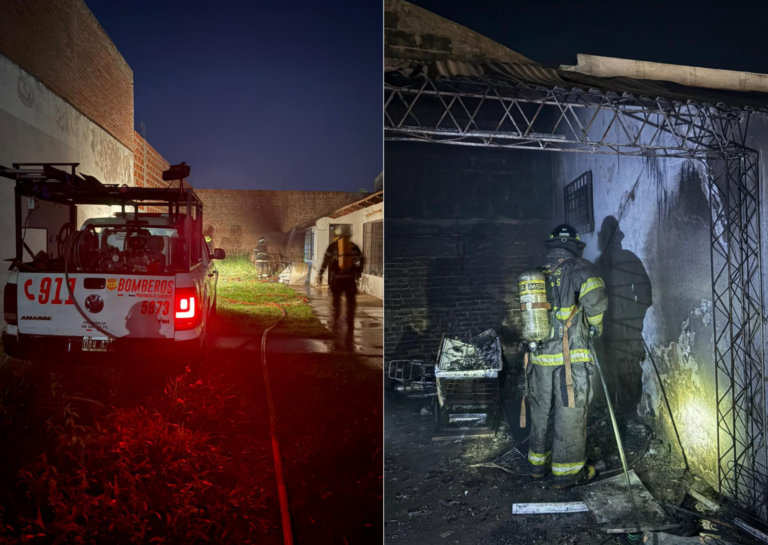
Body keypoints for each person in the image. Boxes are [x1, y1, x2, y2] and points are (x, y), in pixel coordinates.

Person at [526, 224, 608, 489]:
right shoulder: (581, 268)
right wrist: (596, 327)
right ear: (576, 245)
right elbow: (595, 301)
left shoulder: (536, 272)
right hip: (570, 357)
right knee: (570, 410)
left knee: (540, 409)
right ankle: (567, 473)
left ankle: (538, 466)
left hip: (538, 358)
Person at [317, 224, 364, 348]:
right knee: (351, 300)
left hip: (336, 280)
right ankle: (350, 319)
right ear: (349, 235)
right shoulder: (354, 247)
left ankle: (336, 318)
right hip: (349, 280)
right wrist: (358, 272)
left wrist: (321, 273)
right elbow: (361, 260)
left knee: (336, 299)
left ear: (337, 235)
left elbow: (325, 261)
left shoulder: (332, 247)